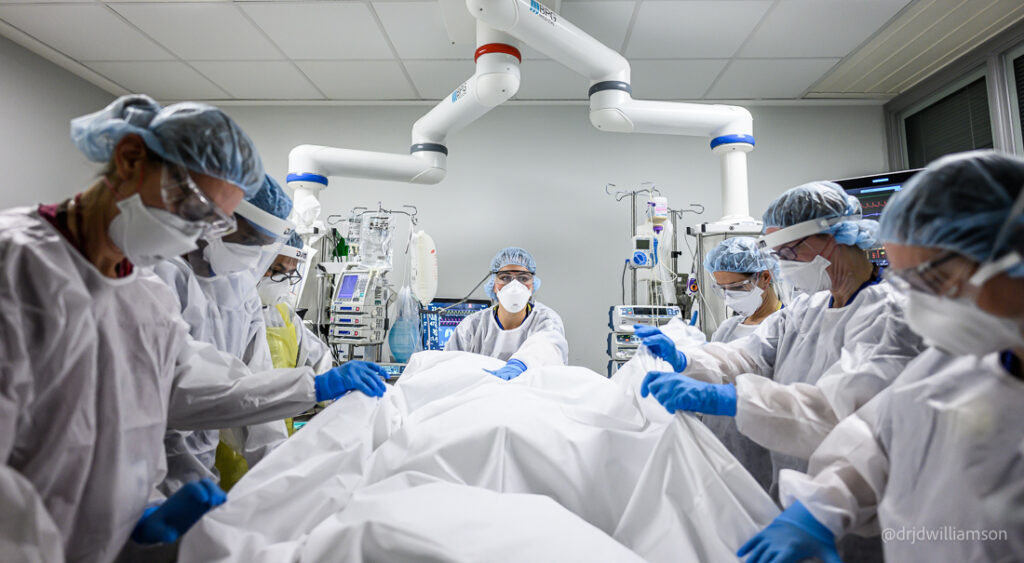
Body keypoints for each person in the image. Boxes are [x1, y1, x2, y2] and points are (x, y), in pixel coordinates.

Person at [0, 95, 387, 561]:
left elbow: (186, 389)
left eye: (213, 222)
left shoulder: (145, 296)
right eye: (192, 205)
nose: (197, 235)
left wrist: (136, 513)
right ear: (129, 159)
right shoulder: (17, 268)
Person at [738, 150, 1024, 563]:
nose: (916, 302)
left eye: (933, 281)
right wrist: (820, 507)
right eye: (905, 280)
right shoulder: (954, 362)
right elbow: (877, 436)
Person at [637, 180, 926, 560]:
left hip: (858, 510)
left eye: (790, 251)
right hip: (791, 493)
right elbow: (748, 356)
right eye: (777, 253)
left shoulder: (891, 314)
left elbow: (844, 409)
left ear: (833, 237)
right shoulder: (806, 310)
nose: (784, 263)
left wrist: (735, 399)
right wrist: (687, 361)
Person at [150, 173, 297, 497]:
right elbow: (176, 387)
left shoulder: (239, 285)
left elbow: (253, 374)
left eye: (261, 246)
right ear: (217, 221)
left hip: (204, 465)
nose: (251, 256)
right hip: (145, 467)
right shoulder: (159, 275)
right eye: (247, 240)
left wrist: (277, 471)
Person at [700, 236, 782, 492]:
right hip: (717, 446)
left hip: (763, 448)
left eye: (735, 288)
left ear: (765, 277)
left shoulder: (786, 326)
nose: (727, 297)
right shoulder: (728, 328)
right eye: (721, 289)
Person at [445, 247, 568, 381]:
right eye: (505, 277)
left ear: (533, 285)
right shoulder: (472, 326)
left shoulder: (545, 319)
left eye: (523, 278)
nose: (514, 286)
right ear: (493, 283)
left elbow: (549, 346)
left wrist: (521, 364)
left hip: (530, 395)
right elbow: (449, 367)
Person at [258, 232, 333, 373]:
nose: (284, 281)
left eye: (290, 274)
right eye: (277, 271)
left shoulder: (284, 314)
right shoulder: (231, 312)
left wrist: (331, 378)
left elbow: (318, 358)